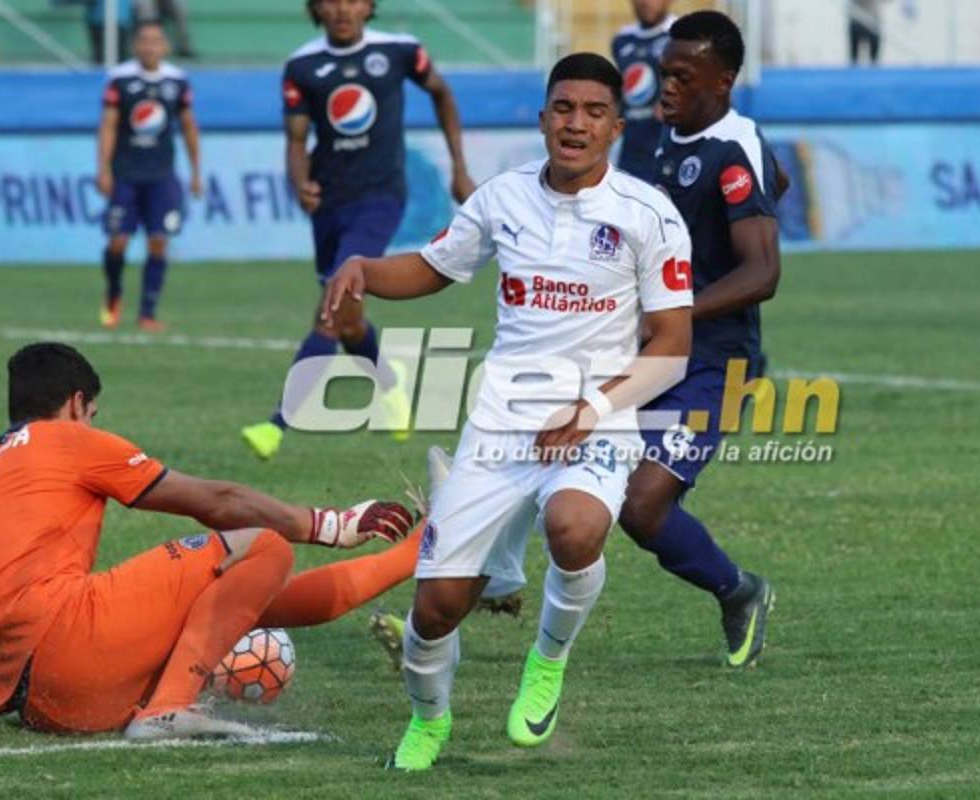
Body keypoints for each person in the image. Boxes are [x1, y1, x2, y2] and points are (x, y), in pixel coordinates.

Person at [322, 52, 694, 770]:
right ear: (543, 117)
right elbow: (434, 268)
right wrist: (366, 269)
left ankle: (547, 660)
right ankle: (429, 720)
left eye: (592, 112)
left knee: (575, 528)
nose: (575, 124)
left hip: (597, 418)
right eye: (563, 109)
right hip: (501, 424)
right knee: (435, 610)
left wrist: (589, 410)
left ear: (616, 126)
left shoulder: (649, 215)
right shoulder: (502, 198)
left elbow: (672, 347)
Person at [0, 343, 418, 739]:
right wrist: (327, 525)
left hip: (42, 704)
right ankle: (169, 708)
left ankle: (418, 550)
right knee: (264, 548)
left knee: (242, 598)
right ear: (76, 403)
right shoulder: (66, 440)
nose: (93, 425)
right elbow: (217, 501)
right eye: (93, 416)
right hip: (72, 649)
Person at [621, 9, 785, 668]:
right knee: (564, 456)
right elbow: (779, 183)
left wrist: (679, 311)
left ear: (722, 83)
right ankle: (490, 585)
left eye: (682, 77)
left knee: (643, 505)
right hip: (658, 350)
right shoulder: (675, 136)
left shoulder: (731, 144)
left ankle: (739, 590)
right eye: (664, 73)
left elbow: (764, 270)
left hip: (715, 361)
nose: (665, 87)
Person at [240, 0, 475, 461]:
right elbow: (295, 140)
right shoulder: (302, 66)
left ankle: (275, 426)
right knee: (348, 321)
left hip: (380, 199)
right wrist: (299, 180)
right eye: (330, 1)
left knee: (331, 307)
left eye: (352, 0)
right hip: (329, 203)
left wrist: (459, 167)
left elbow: (442, 94)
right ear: (315, 10)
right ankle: (392, 385)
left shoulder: (400, 52)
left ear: (369, 7)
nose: (342, 9)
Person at [97, 22, 201, 332]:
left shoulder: (177, 81)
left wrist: (196, 171)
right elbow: (108, 126)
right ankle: (114, 292)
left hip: (162, 175)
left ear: (165, 46)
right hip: (126, 174)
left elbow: (188, 126)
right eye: (143, 41)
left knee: (159, 242)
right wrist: (103, 168)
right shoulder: (120, 79)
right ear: (135, 46)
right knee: (118, 242)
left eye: (156, 41)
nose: (149, 47)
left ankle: (147, 313)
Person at [611, 0, 674, 181]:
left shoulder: (681, 34)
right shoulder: (621, 40)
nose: (645, 2)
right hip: (631, 149)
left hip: (668, 148)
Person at [848, 0, 888, 66]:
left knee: (874, 62)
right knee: (854, 61)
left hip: (873, 22)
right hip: (856, 21)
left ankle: (874, 75)